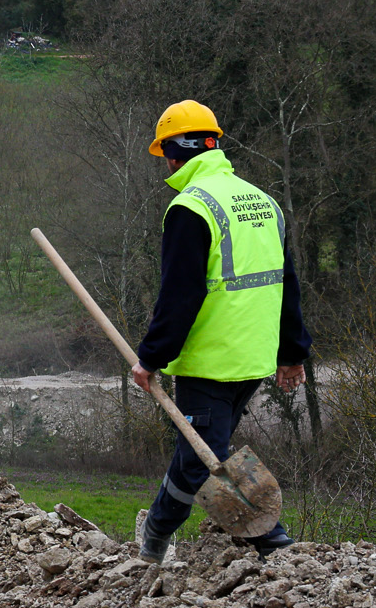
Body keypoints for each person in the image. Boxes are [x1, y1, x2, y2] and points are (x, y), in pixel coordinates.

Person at [131, 100, 310, 564]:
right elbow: (287, 283)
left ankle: (262, 540)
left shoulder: (190, 207)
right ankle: (170, 537)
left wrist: (150, 357)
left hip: (211, 362)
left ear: (175, 154)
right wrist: (291, 352)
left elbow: (180, 294)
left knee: (199, 458)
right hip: (253, 359)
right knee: (204, 449)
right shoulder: (262, 201)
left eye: (165, 155)